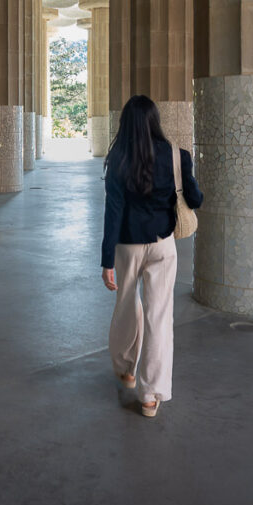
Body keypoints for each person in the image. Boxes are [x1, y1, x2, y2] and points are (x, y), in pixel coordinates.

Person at [101, 95, 203, 418]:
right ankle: (150, 395)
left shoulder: (118, 157)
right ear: (156, 121)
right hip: (163, 245)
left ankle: (126, 369)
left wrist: (106, 261)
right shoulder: (176, 156)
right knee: (160, 316)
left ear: (125, 123)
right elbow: (195, 198)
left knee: (126, 304)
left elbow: (113, 213)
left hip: (127, 245)